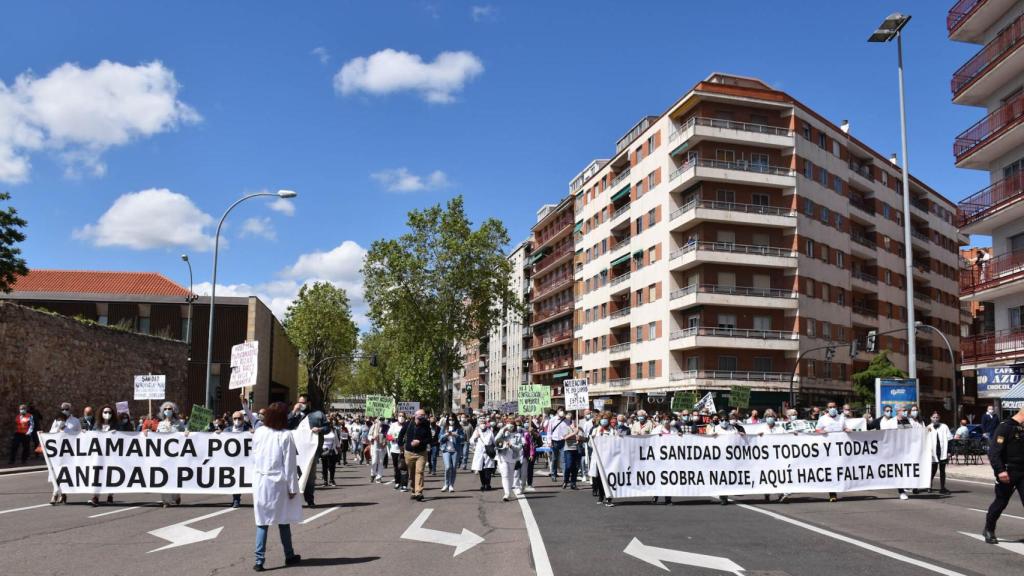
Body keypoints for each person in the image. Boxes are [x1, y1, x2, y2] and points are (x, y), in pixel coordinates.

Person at [252, 402, 302, 571]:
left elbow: (254, 456)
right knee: (283, 520)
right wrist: (292, 488)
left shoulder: (259, 432)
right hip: (278, 482)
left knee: (262, 522)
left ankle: (259, 561)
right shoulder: (286, 435)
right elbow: (289, 464)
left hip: (260, 481)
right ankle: (289, 555)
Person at [983, 406, 1024, 544]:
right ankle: (989, 529)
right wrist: (1000, 470)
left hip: (1022, 471)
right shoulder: (1005, 427)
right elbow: (994, 453)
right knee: (1001, 502)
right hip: (1008, 471)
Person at [48, 402, 81, 505]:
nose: (65, 410)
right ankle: (57, 493)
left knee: (64, 474)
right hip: (57, 451)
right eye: (63, 408)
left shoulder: (75, 421)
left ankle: (59, 494)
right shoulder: (56, 420)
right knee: (56, 473)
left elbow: (78, 435)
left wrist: (65, 429)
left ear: (70, 409)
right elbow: (51, 433)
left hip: (69, 452)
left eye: (66, 408)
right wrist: (58, 428)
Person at [816, 402, 848, 503]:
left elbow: (844, 428)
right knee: (832, 470)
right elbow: (817, 429)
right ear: (827, 408)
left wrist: (848, 430)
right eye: (830, 407)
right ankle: (832, 493)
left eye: (834, 407)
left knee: (841, 470)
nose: (832, 408)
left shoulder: (841, 418)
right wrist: (821, 432)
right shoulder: (823, 419)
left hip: (840, 448)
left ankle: (841, 487)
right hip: (828, 449)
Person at [155, 401, 185, 508]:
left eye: (170, 409)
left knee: (174, 476)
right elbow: (156, 437)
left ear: (174, 411)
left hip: (176, 455)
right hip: (163, 455)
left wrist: (186, 432)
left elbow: (186, 434)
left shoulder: (179, 423)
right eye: (166, 409)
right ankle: (166, 500)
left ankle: (175, 495)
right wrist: (147, 432)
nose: (168, 411)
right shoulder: (160, 424)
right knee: (163, 476)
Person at [400, 409, 432, 502]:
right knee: (412, 474)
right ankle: (414, 490)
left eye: (424, 415)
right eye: (421, 415)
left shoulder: (426, 425)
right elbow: (401, 435)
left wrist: (420, 442)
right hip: (409, 453)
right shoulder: (408, 424)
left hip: (421, 453)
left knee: (419, 472)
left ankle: (419, 492)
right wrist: (401, 447)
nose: (423, 416)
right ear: (415, 415)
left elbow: (429, 439)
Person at [495, 417, 524, 502]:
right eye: (508, 423)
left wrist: (511, 445)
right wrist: (502, 430)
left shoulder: (518, 435)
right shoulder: (503, 433)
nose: (510, 425)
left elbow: (519, 447)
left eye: (511, 424)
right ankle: (506, 493)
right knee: (505, 474)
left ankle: (509, 492)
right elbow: (496, 440)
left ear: (514, 426)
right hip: (502, 456)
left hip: (513, 457)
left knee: (511, 475)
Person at [589, 412, 615, 507]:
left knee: (609, 479)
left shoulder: (613, 431)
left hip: (609, 459)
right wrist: (594, 437)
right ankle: (601, 496)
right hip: (599, 459)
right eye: (602, 419)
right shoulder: (595, 431)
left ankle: (609, 498)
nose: (604, 421)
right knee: (599, 479)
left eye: (606, 419)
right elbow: (590, 444)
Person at [926, 412, 951, 495]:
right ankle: (929, 486)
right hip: (933, 452)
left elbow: (949, 439)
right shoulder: (928, 427)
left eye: (937, 417)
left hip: (942, 451)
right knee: (933, 470)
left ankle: (942, 487)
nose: (935, 419)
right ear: (931, 418)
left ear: (939, 418)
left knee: (942, 471)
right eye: (934, 417)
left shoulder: (944, 426)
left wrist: (949, 452)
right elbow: (925, 440)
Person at [470, 418, 496, 491]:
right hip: (479, 453)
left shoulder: (490, 431)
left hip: (488, 452)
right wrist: (476, 437)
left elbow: (494, 442)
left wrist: (494, 449)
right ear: (479, 423)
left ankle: (488, 484)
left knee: (488, 469)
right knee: (481, 469)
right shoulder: (476, 431)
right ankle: (483, 484)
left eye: (484, 422)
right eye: (481, 422)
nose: (483, 424)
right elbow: (471, 441)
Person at [440, 417, 465, 492]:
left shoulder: (459, 428)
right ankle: (446, 484)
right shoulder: (444, 428)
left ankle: (451, 485)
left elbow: (462, 438)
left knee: (454, 468)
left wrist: (456, 435)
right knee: (447, 467)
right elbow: (440, 439)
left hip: (455, 450)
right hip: (446, 450)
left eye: (452, 419)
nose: (451, 421)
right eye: (450, 419)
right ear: (447, 420)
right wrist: (445, 435)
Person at [546, 409, 570, 481]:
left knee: (564, 459)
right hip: (554, 441)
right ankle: (553, 474)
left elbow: (569, 429)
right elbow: (549, 431)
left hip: (564, 441)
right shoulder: (552, 420)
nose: (561, 412)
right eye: (560, 410)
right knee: (554, 458)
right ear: (557, 412)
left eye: (562, 411)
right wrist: (549, 441)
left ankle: (565, 476)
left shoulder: (567, 420)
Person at [388, 413, 409, 492]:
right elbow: (388, 436)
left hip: (404, 450)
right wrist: (393, 439)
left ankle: (404, 485)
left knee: (404, 467)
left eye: (403, 416)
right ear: (397, 417)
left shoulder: (407, 425)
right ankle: (397, 482)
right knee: (396, 467)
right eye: (399, 416)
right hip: (394, 449)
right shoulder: (393, 425)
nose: (401, 417)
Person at [561, 413, 580, 490]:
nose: (573, 422)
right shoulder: (566, 428)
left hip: (577, 449)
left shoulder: (578, 428)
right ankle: (565, 480)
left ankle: (573, 483)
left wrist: (580, 439)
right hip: (568, 449)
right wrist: (574, 433)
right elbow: (565, 437)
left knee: (575, 467)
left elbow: (582, 438)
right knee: (568, 466)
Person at [523, 420, 540, 493]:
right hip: (522, 453)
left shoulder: (535, 433)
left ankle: (529, 482)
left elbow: (539, 441)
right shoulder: (520, 431)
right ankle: (520, 482)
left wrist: (532, 433)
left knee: (530, 468)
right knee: (521, 469)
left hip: (531, 452)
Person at [369, 417, 387, 483]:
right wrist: (372, 438)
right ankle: (372, 474)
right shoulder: (373, 426)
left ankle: (379, 477)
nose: (381, 421)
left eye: (383, 419)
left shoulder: (386, 427)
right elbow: (369, 435)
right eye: (380, 419)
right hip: (375, 446)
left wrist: (386, 441)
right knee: (374, 461)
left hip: (382, 447)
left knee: (381, 462)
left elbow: (390, 435)